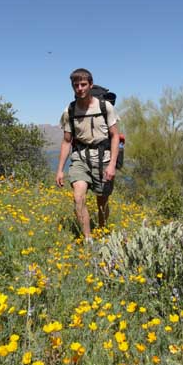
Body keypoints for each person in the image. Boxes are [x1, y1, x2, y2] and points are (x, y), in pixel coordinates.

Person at [55, 68, 119, 243]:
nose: (80, 88)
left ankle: (104, 235)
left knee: (102, 202)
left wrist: (112, 164)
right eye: (76, 85)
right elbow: (67, 141)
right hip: (80, 158)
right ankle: (88, 239)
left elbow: (114, 136)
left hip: (103, 159)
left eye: (83, 84)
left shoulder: (105, 107)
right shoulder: (70, 110)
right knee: (78, 197)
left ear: (90, 85)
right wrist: (60, 169)